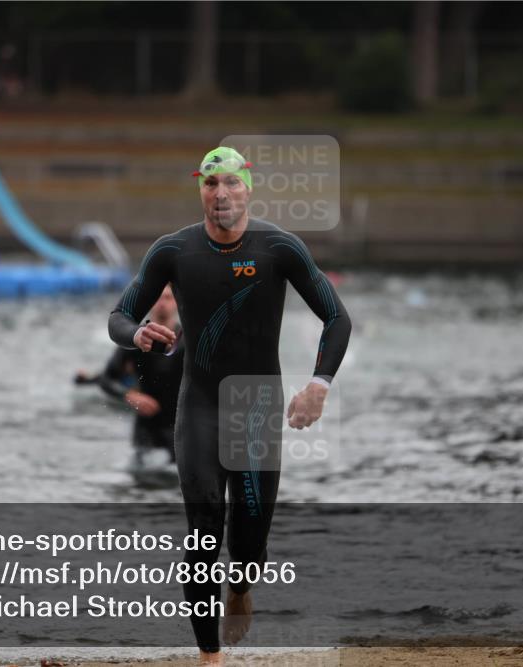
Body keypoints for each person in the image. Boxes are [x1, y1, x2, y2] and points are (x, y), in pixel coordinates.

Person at [108, 147, 351, 664]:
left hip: (257, 407)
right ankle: (209, 656)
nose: (221, 194)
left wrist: (320, 384)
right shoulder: (173, 251)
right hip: (197, 406)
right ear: (201, 189)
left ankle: (240, 588)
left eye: (231, 183)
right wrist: (136, 333)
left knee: (247, 544)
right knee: (203, 526)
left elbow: (337, 318)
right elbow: (119, 315)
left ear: (248, 187)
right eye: (211, 183)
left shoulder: (279, 248)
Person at [77, 285, 183, 473]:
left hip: (180, 428)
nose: (162, 303)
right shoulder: (137, 338)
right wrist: (129, 395)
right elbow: (107, 380)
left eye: (167, 298)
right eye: (158, 297)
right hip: (145, 429)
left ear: (177, 302)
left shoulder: (187, 341)